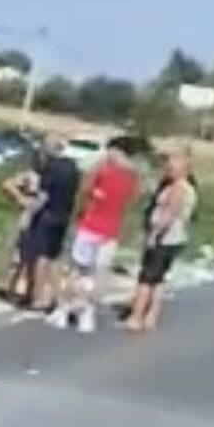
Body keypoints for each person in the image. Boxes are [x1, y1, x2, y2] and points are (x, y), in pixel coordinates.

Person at [49, 140, 140, 333]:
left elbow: (83, 191)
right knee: (96, 275)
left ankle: (65, 310)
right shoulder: (131, 178)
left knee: (77, 271)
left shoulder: (102, 171)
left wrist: (78, 212)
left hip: (90, 226)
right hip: (110, 231)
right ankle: (87, 314)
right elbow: (131, 200)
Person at [125, 148, 198, 332]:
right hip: (176, 238)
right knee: (158, 279)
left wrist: (154, 234)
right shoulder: (187, 188)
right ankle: (152, 316)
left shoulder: (178, 188)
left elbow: (169, 213)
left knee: (147, 278)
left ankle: (136, 316)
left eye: (172, 165)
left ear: (184, 169)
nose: (168, 168)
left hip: (164, 238)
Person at [17, 135, 80, 311]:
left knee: (40, 258)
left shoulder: (50, 169)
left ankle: (37, 298)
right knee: (54, 258)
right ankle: (57, 297)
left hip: (48, 216)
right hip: (64, 216)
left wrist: (30, 211)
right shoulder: (72, 167)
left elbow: (44, 196)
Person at [1, 161, 44, 304]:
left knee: (38, 257)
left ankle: (31, 292)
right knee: (20, 254)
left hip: (44, 217)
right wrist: (20, 198)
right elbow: (7, 184)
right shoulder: (30, 175)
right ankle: (11, 289)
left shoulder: (52, 175)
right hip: (28, 215)